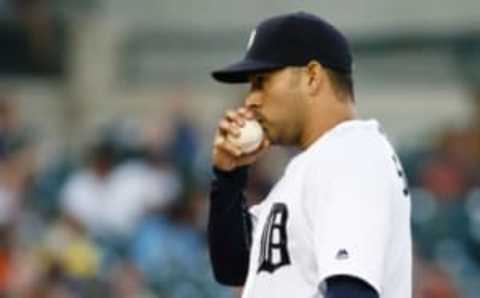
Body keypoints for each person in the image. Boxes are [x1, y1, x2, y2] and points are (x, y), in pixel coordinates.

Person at [207, 12, 412, 298]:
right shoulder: (316, 163)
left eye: (262, 81)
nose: (250, 99)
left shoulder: (351, 155)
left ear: (312, 77)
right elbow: (234, 267)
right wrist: (228, 176)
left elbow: (351, 290)